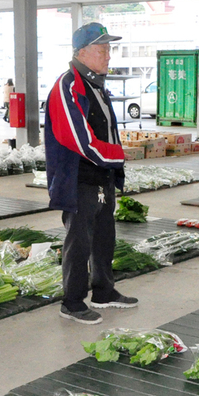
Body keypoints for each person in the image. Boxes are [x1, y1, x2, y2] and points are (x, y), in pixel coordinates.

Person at [45, 22, 137, 324]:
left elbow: (107, 131)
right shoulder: (68, 85)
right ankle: (71, 302)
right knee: (79, 240)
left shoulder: (96, 84)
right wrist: (116, 157)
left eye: (109, 49)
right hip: (78, 177)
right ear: (82, 53)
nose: (108, 56)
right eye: (102, 50)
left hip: (102, 175)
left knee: (103, 236)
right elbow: (78, 138)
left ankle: (103, 290)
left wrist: (113, 166)